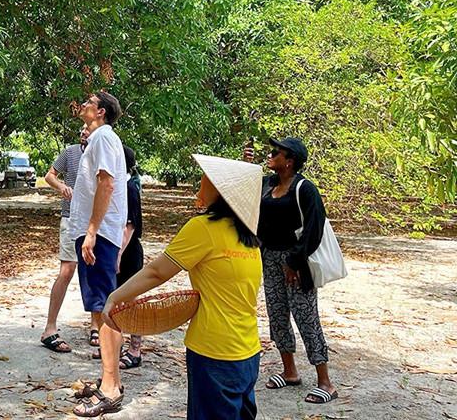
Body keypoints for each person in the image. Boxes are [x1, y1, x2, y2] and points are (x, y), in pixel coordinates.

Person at [75, 154, 263, 419]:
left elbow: (156, 272)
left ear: (220, 191)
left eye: (206, 178)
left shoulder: (204, 228)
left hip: (214, 352)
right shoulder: (249, 237)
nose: (201, 182)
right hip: (248, 352)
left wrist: (114, 297)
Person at [245, 137, 338, 405]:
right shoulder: (268, 184)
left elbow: (314, 228)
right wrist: (247, 164)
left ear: (290, 161)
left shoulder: (304, 189)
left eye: (277, 152)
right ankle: (290, 371)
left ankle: (325, 382)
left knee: (306, 316)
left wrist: (295, 261)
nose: (271, 155)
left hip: (296, 263)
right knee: (277, 315)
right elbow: (243, 194)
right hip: (269, 258)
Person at [67, 92, 127, 363]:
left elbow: (107, 184)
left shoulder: (103, 137)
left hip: (99, 234)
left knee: (104, 304)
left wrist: (91, 232)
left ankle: (111, 380)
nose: (83, 105)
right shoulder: (99, 140)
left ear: (101, 112)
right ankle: (108, 372)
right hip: (98, 232)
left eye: (89, 102)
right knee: (100, 301)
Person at [40, 126, 90, 353]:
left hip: (96, 222)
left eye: (87, 128)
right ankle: (50, 327)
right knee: (67, 270)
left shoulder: (103, 151)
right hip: (71, 218)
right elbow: (50, 175)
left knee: (94, 273)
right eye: (81, 128)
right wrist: (62, 186)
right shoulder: (70, 152)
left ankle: (97, 327)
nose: (83, 131)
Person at [115, 145, 143, 370]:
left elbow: (129, 227)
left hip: (129, 254)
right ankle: (114, 346)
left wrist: (117, 255)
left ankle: (135, 350)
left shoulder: (129, 188)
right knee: (115, 301)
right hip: (118, 253)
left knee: (132, 302)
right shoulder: (116, 186)